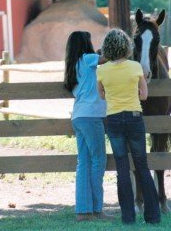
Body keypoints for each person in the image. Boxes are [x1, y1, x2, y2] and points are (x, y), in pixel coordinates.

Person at [96, 28, 161, 225]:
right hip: (134, 117)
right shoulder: (134, 67)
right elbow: (144, 95)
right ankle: (153, 216)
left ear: (107, 48)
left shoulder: (101, 70)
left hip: (114, 120)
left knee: (122, 169)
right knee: (142, 166)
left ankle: (128, 217)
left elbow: (101, 95)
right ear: (126, 46)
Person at [64, 31, 112, 222]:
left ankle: (83, 211)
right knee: (98, 161)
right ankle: (97, 209)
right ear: (85, 44)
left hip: (78, 116)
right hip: (92, 116)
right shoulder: (88, 58)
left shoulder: (73, 65)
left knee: (83, 163)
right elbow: (107, 58)